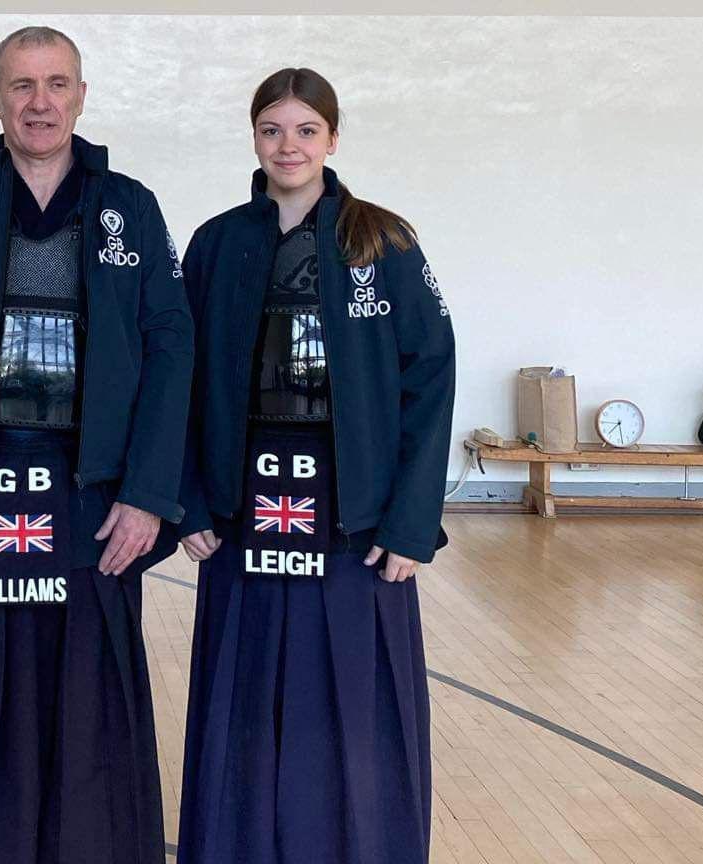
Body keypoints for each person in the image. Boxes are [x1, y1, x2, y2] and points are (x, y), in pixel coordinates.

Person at [0, 26, 193, 864]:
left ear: (81, 96)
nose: (40, 102)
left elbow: (172, 352)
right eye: (22, 85)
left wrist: (150, 493)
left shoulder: (131, 208)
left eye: (56, 84)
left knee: (90, 714)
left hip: (92, 502)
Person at [175, 68, 455, 864]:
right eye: (272, 129)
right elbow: (180, 383)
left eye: (304, 130)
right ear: (254, 138)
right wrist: (189, 501)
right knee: (245, 696)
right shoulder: (218, 243)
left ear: (332, 138)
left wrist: (409, 524)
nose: (287, 145)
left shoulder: (383, 240)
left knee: (353, 709)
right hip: (244, 503)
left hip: (353, 513)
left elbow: (429, 380)